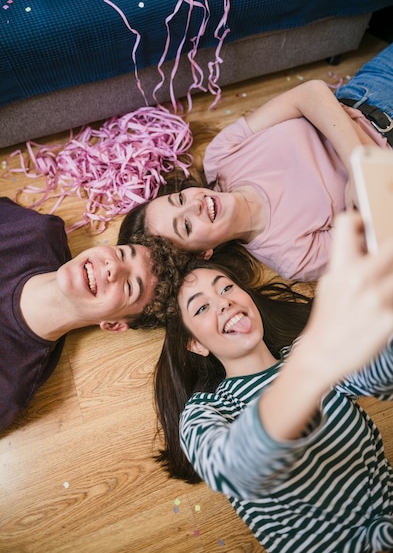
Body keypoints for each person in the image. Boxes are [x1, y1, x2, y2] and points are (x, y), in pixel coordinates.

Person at [153, 211, 393, 552]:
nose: (224, 302)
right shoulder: (206, 412)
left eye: (226, 288)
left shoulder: (303, 349)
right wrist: (315, 360)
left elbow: (379, 376)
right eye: (202, 308)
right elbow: (235, 470)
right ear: (196, 343)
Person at [119, 43, 393, 281]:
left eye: (179, 200)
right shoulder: (291, 256)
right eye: (187, 226)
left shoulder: (221, 156)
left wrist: (360, 166)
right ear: (204, 253)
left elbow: (310, 94)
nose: (195, 204)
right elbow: (383, 226)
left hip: (372, 87)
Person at [0, 193, 190, 451]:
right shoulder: (39, 234)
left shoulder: (3, 387)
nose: (113, 267)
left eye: (130, 286)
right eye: (122, 254)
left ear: (113, 324)